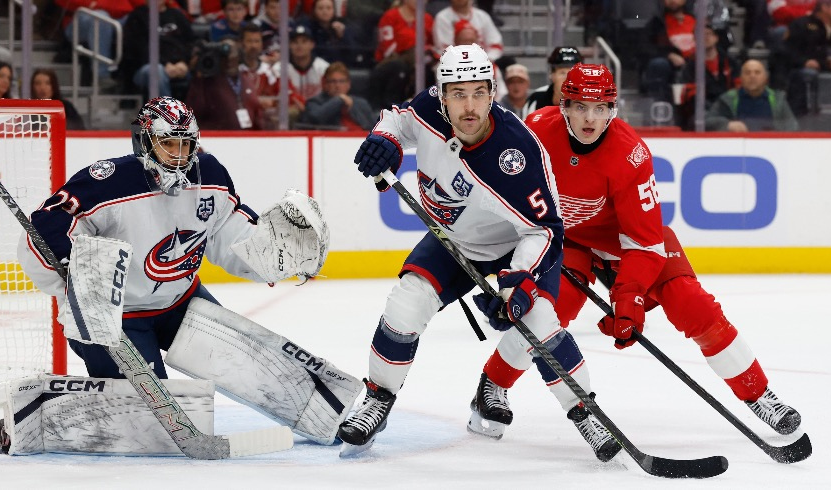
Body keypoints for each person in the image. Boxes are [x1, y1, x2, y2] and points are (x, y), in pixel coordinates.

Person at [470, 63, 803, 444]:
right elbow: (504, 194)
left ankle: (759, 394)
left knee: (693, 305)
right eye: (580, 107)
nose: (590, 119)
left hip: (631, 243)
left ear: (614, 109)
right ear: (564, 105)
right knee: (545, 311)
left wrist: (630, 298)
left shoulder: (631, 155)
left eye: (600, 108)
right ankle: (491, 387)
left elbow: (644, 243)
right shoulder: (536, 130)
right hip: (571, 240)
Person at [9, 96, 349, 451]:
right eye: (168, 143)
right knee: (155, 423)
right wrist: (66, 265)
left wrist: (275, 255)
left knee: (258, 364)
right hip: (113, 319)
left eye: (186, 144)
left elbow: (231, 237)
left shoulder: (210, 176)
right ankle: (40, 418)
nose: (178, 155)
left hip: (180, 302)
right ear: (144, 141)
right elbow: (44, 228)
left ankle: (330, 415)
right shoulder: (107, 182)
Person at [338, 44, 622, 462]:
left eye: (478, 93)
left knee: (540, 323)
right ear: (441, 94)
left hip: (516, 246)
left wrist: (519, 283)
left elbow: (545, 230)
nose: (469, 106)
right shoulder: (429, 109)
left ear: (493, 93)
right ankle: (378, 399)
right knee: (405, 306)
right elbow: (396, 120)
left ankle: (585, 412)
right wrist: (386, 141)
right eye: (457, 94)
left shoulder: (518, 155)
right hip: (453, 240)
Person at [119, 0, 196, 99]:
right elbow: (137, 50)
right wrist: (165, 64)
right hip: (146, 67)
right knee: (157, 71)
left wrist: (184, 62)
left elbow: (191, 42)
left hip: (180, 65)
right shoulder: (137, 17)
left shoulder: (177, 15)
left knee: (206, 68)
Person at [186, 38, 266, 130]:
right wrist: (198, 78)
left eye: (232, 52)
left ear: (239, 55)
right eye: (224, 55)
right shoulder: (207, 82)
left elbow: (256, 113)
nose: (229, 57)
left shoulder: (246, 79)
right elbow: (194, 112)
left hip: (247, 139)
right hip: (217, 139)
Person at [369, 0, 435, 109]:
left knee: (428, 68)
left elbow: (432, 45)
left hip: (418, 60)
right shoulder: (390, 16)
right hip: (390, 61)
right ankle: (392, 106)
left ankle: (420, 105)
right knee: (400, 66)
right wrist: (410, 48)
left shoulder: (427, 19)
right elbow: (387, 48)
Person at [706, 58, 799, 131]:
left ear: (766, 77)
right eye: (747, 73)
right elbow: (707, 122)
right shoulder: (728, 99)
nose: (752, 76)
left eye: (757, 72)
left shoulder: (778, 99)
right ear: (741, 77)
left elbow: (793, 126)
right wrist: (727, 125)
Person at [781, 0, 831, 116]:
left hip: (823, 67)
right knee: (805, 75)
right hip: (798, 69)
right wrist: (804, 62)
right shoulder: (803, 25)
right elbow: (787, 51)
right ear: (825, 7)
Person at [300, 61, 375, 130]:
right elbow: (316, 118)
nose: (337, 85)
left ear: (348, 84)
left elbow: (373, 128)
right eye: (333, 81)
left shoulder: (361, 104)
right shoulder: (314, 103)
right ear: (325, 84)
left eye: (342, 81)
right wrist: (339, 100)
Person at [433, 0, 504, 62]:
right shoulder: (442, 17)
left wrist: (485, 60)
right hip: (454, 65)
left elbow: (495, 45)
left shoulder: (482, 16)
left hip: (482, 62)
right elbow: (445, 50)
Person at [521, 46, 583, 117]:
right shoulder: (536, 99)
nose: (568, 78)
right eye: (562, 73)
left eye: (573, 73)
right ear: (552, 75)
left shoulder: (589, 100)